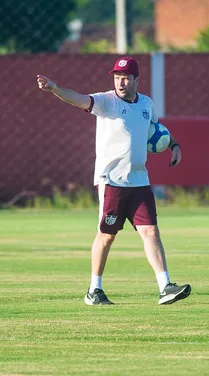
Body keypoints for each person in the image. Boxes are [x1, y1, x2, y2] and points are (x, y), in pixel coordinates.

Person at [37, 56, 191, 306]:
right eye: (117, 78)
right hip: (112, 181)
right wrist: (55, 89)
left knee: (151, 231)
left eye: (125, 78)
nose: (120, 82)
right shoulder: (106, 101)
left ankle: (165, 286)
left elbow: (157, 129)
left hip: (139, 181)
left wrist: (174, 145)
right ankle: (93, 290)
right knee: (107, 236)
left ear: (136, 80)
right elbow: (77, 98)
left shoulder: (147, 104)